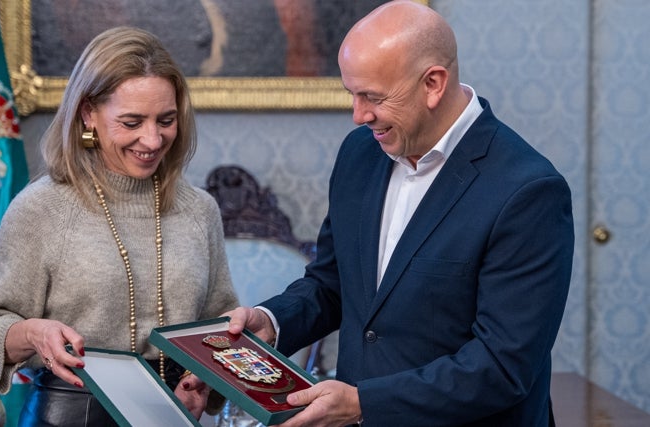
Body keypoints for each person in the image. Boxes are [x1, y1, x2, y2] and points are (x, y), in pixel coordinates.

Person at [225, 1, 574, 426]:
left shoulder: (528, 191)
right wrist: (273, 322)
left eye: (372, 97)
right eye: (352, 95)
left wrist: (364, 403)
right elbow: (333, 282)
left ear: (433, 83)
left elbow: (502, 366)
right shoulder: (359, 154)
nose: (358, 116)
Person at [0, 26, 239, 426]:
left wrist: (204, 381)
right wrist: (34, 333)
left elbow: (220, 328)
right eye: (131, 121)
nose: (153, 139)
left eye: (166, 120)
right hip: (72, 415)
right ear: (89, 112)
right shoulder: (44, 207)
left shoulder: (199, 210)